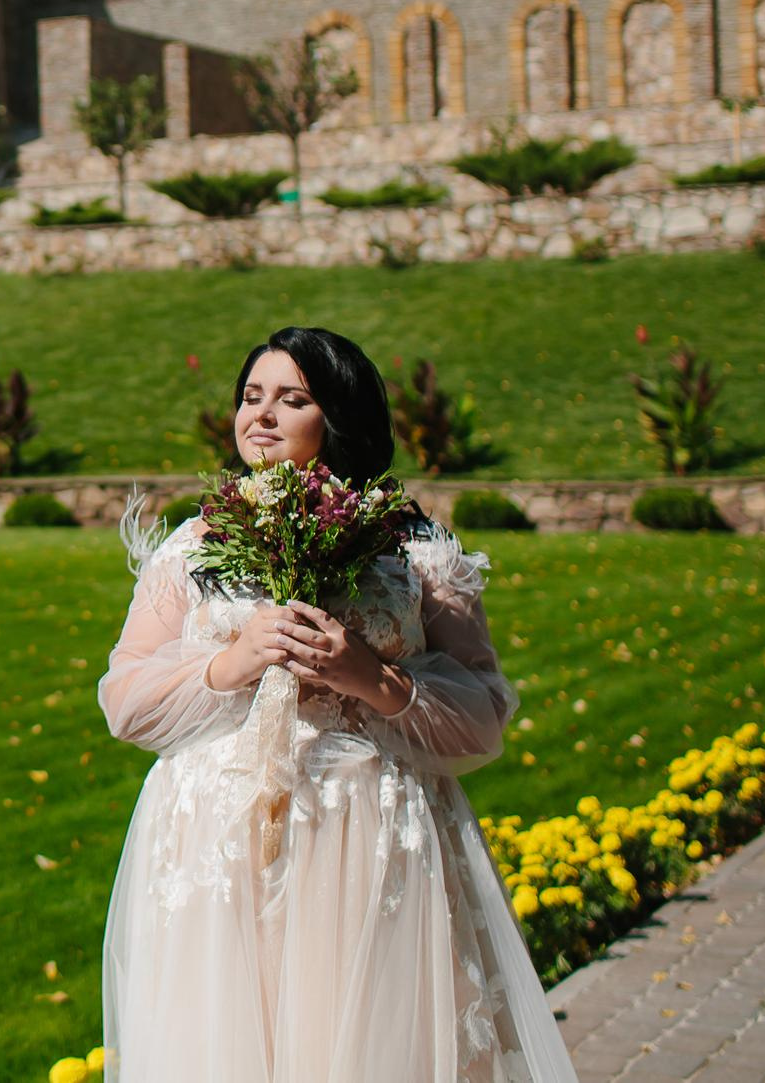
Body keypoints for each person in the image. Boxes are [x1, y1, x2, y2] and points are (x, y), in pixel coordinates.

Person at [95, 326, 577, 1082]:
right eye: (251, 397)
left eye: (292, 399)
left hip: (368, 842)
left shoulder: (413, 551)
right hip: (215, 850)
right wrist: (234, 661)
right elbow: (126, 699)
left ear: (340, 416)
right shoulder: (194, 546)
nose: (261, 416)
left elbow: (483, 712)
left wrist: (372, 677)